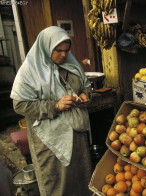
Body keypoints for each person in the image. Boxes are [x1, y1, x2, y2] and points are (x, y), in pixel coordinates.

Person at [10, 26, 92, 196]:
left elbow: (85, 85)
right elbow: (20, 105)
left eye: (66, 50)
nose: (63, 55)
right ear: (45, 47)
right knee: (57, 182)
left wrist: (85, 94)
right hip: (50, 139)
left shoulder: (71, 64)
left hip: (76, 135)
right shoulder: (29, 72)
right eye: (58, 50)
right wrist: (54, 106)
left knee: (80, 177)